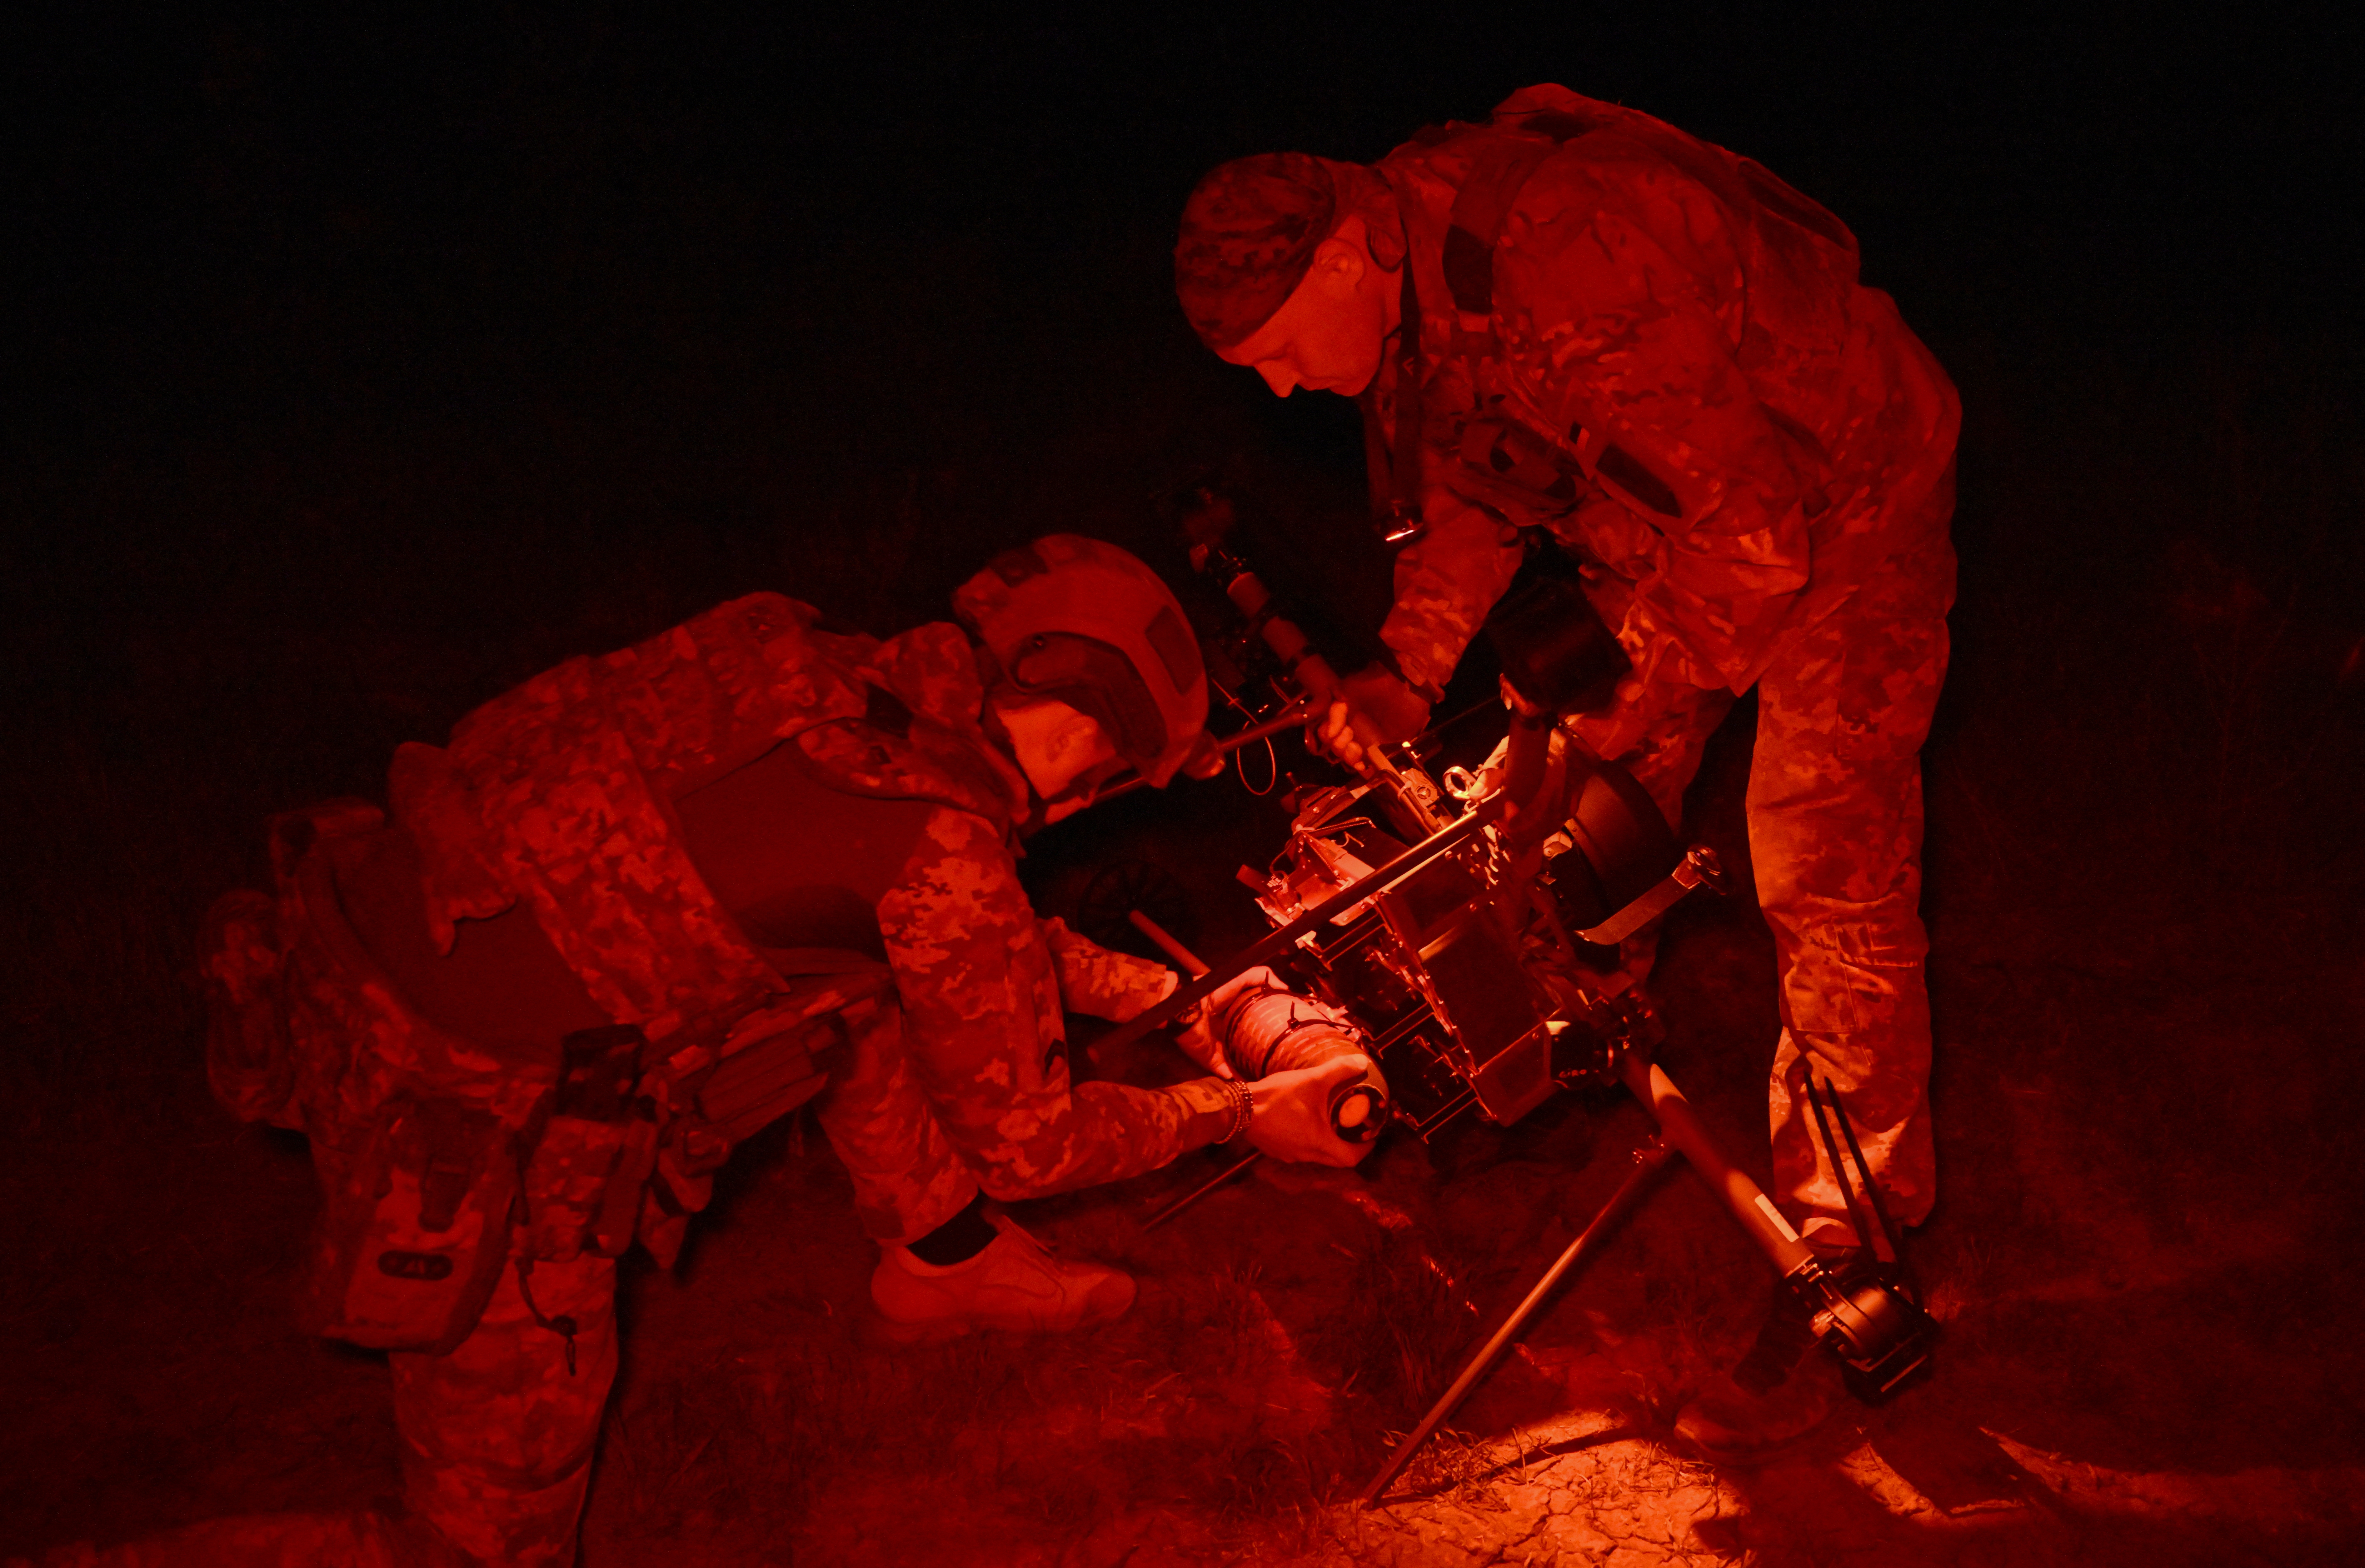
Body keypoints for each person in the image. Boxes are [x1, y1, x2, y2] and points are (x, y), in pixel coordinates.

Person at [171, 534, 1372, 1568]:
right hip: (449, 1109)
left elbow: (936, 939)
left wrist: (1176, 992)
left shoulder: (811, 668)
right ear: (1079, 726)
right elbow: (1028, 1139)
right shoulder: (936, 847)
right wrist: (1235, 1108)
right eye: (1113, 776)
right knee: (487, 1532)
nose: (1098, 798)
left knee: (840, 996)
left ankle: (939, 1261)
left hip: (326, 942)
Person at [1176, 84, 1959, 1457]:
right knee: (1523, 817)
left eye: (1285, 349)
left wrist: (1580, 695)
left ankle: (1850, 1246)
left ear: (1348, 254)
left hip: (1846, 500)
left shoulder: (1568, 252)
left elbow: (1757, 547)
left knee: (1821, 864)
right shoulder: (1421, 279)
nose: (1287, 386)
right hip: (1703, 514)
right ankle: (1564, 1057)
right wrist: (1411, 668)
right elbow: (1483, 482)